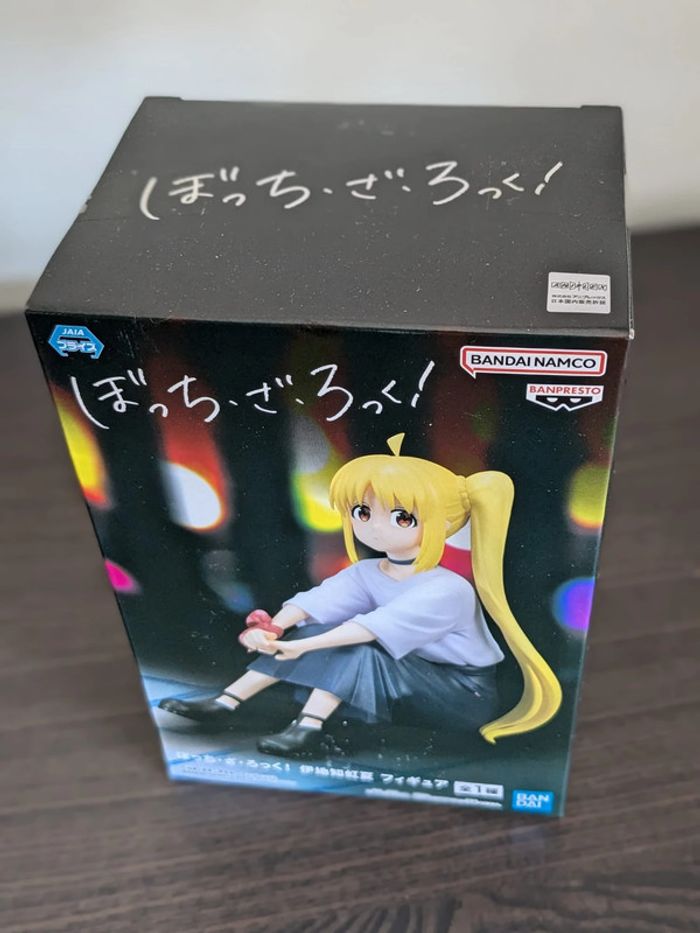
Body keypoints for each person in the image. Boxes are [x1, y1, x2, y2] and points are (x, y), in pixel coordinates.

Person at [159, 434, 561, 757]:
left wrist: (301, 647)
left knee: (357, 646)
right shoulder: (368, 571)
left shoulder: (447, 589)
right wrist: (273, 629)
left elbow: (370, 630)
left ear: (441, 522)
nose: (374, 527)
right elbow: (318, 602)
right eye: (362, 513)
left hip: (459, 696)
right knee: (320, 632)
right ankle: (227, 702)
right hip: (406, 677)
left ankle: (309, 727)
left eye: (401, 517)